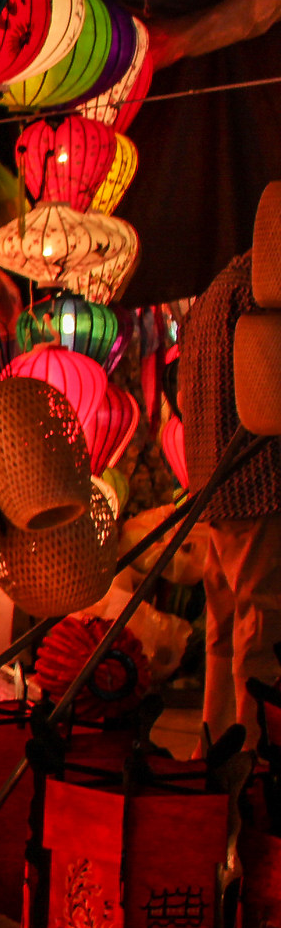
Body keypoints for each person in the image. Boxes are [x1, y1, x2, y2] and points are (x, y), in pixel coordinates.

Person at [178, 251, 281, 751]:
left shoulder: (216, 290)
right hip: (258, 478)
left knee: (224, 624)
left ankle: (211, 742)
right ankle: (252, 751)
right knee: (260, 624)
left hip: (210, 478)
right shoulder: (261, 297)